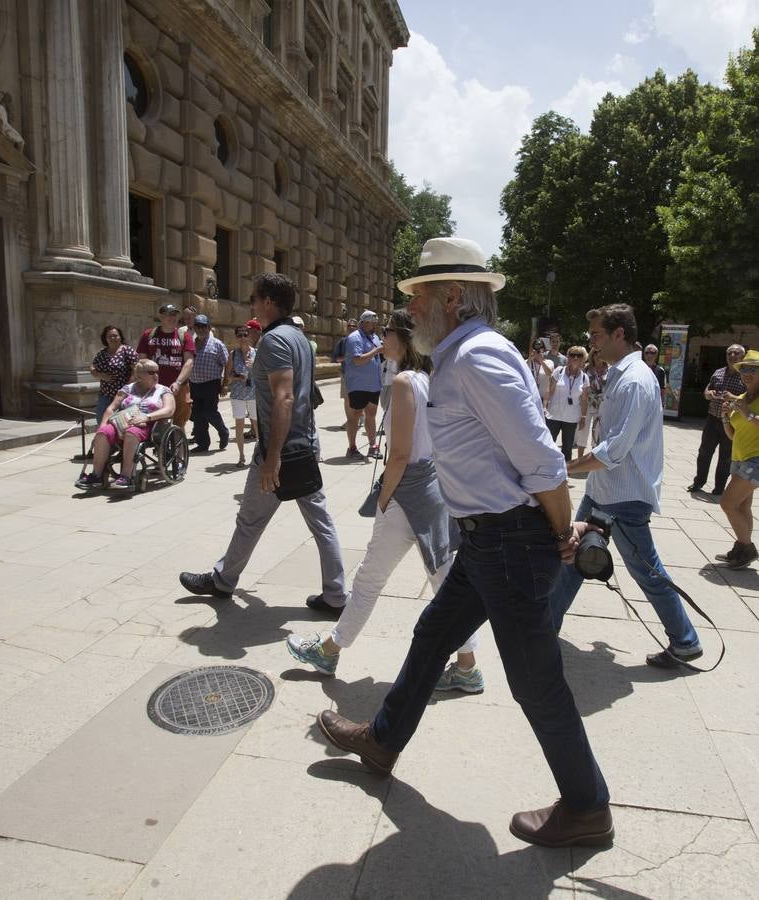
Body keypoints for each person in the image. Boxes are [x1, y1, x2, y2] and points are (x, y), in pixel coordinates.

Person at [315, 237, 612, 849]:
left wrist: (562, 531)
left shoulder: (476, 357)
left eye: (419, 294)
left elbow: (542, 463)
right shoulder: (459, 356)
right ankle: (384, 740)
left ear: (451, 296)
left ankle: (587, 806)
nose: (411, 305)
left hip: (508, 540)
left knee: (534, 680)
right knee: (432, 635)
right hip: (486, 540)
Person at [285, 309, 484, 693]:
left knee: (371, 578)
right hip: (432, 490)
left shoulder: (407, 382)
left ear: (405, 339)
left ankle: (330, 650)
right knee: (443, 582)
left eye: (387, 332)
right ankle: (467, 665)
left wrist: (383, 498)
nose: (380, 338)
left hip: (407, 493)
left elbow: (399, 455)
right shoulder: (428, 379)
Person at [179, 273, 348, 617]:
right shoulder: (299, 338)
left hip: (281, 449)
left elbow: (284, 398)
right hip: (302, 444)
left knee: (256, 520)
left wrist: (272, 459)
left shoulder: (274, 341)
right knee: (314, 521)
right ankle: (334, 594)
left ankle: (225, 580)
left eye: (255, 298)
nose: (252, 304)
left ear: (269, 301)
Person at [547, 304, 703, 669]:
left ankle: (685, 640)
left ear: (620, 334)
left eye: (597, 335)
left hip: (623, 497)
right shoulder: (623, 373)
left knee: (646, 572)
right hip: (605, 490)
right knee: (571, 555)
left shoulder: (634, 380)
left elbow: (614, 450)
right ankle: (545, 625)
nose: (592, 342)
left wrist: (565, 467)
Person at [74, 359, 175, 491]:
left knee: (131, 432)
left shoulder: (163, 390)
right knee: (102, 434)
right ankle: (96, 475)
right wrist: (103, 425)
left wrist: (147, 416)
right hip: (122, 422)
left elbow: (169, 409)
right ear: (139, 375)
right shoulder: (127, 389)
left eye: (157, 371)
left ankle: (126, 476)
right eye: (151, 372)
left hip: (149, 425)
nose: (156, 375)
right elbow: (111, 408)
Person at [716, 349, 759, 568]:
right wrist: (725, 418)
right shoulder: (742, 398)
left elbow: (752, 420)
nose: (747, 373)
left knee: (727, 503)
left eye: (753, 369)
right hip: (740, 457)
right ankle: (742, 548)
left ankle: (747, 548)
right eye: (744, 369)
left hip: (756, 460)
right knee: (742, 508)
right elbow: (734, 435)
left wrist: (747, 414)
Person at [688, 344, 746, 496]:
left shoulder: (746, 376)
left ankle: (719, 488)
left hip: (732, 422)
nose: (732, 356)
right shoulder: (718, 372)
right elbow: (706, 391)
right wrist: (710, 393)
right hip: (713, 419)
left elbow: (750, 400)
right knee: (704, 452)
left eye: (736, 353)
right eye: (729, 353)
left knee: (725, 457)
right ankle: (698, 482)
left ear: (742, 357)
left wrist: (733, 397)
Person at [137, 303, 195, 429]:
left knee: (179, 425)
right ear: (161, 317)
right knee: (156, 422)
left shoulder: (184, 336)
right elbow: (142, 361)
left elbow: (189, 362)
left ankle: (179, 447)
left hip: (178, 388)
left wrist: (178, 382)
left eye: (175, 315)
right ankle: (159, 447)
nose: (173, 318)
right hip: (153, 388)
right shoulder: (148, 335)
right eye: (169, 315)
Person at [187, 314, 230, 453]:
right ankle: (203, 444)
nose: (200, 329)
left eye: (203, 326)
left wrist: (225, 384)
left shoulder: (217, 344)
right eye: (198, 326)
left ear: (209, 327)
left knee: (210, 412)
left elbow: (228, 364)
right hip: (194, 384)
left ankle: (223, 432)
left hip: (211, 384)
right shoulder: (191, 344)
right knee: (198, 416)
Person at [344, 310, 384, 460]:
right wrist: (376, 351)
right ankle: (352, 447)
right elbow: (357, 360)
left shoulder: (374, 337)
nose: (374, 326)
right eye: (371, 323)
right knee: (355, 416)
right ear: (363, 322)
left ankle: (373, 446)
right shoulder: (355, 338)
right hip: (358, 384)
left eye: (375, 323)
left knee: (371, 415)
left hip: (374, 384)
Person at [544, 346, 590, 462]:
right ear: (568, 357)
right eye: (572, 354)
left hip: (571, 418)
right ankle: (546, 468)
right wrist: (544, 406)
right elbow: (550, 389)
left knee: (567, 448)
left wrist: (583, 418)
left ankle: (565, 473)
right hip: (553, 415)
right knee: (548, 444)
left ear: (583, 359)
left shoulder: (584, 378)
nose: (575, 357)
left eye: (579, 355)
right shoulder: (558, 370)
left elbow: (584, 399)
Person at [224, 325, 258, 467]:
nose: (243, 338)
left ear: (249, 336)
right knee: (239, 425)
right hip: (238, 394)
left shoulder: (256, 353)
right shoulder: (233, 354)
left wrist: (254, 366)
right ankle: (241, 457)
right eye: (239, 335)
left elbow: (264, 374)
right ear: (236, 337)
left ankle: (260, 454)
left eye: (245, 335)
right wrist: (238, 377)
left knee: (257, 425)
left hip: (254, 394)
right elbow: (228, 375)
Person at [89, 325, 138, 424]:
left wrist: (127, 388)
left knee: (122, 424)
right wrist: (100, 375)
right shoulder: (102, 353)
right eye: (109, 336)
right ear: (105, 339)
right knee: (102, 422)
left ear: (120, 337)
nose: (113, 338)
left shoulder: (127, 350)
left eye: (115, 335)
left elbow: (136, 369)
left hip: (123, 396)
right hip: (105, 395)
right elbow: (92, 367)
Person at [578, 349, 608, 454]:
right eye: (596, 352)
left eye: (601, 352)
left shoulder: (609, 369)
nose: (598, 355)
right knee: (583, 431)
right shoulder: (585, 368)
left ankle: (593, 458)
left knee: (597, 433)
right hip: (586, 403)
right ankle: (580, 459)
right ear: (592, 355)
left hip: (602, 405)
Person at [643, 344, 670, 409]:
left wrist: (661, 405)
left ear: (656, 355)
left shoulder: (660, 371)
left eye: (652, 353)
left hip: (653, 405)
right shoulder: (639, 368)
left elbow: (662, 389)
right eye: (647, 353)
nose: (649, 355)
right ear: (644, 354)